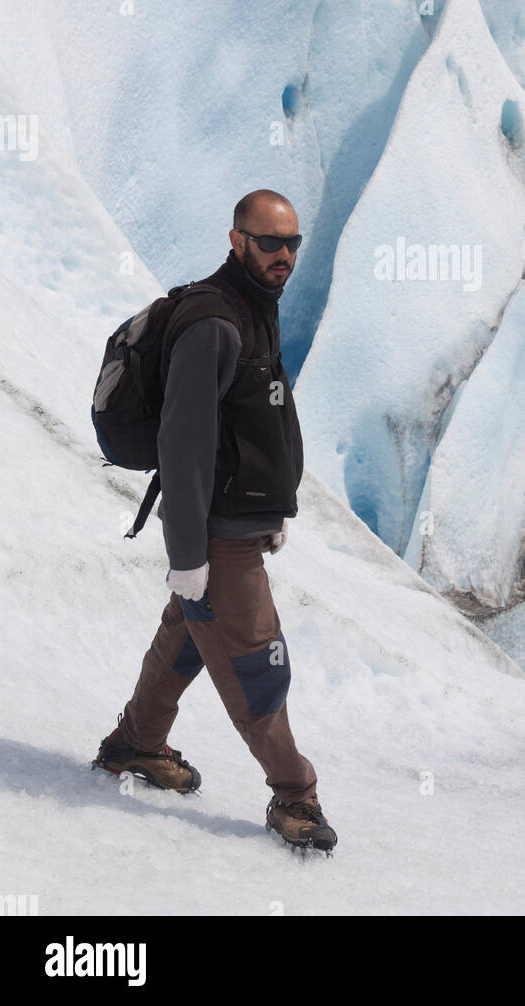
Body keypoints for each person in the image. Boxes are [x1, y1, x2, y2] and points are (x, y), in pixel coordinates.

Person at [92, 190, 337, 854]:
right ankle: (295, 794)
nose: (283, 256)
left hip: (237, 522)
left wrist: (270, 508)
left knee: (189, 632)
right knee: (258, 662)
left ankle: (136, 744)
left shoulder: (253, 306)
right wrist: (189, 554)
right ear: (237, 242)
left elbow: (253, 421)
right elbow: (185, 442)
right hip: (215, 535)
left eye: (292, 244)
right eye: (268, 244)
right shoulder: (216, 323)